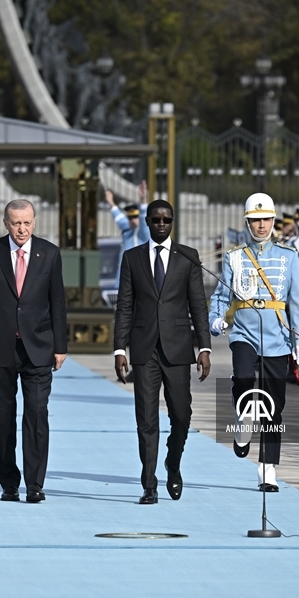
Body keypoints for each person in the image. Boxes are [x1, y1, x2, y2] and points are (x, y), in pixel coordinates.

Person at [0, 200, 68, 504]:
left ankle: (35, 484)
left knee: (36, 414)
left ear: (34, 222)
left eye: (26, 223)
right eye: (15, 223)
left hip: (38, 348)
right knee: (2, 416)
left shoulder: (49, 253)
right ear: (6, 223)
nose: (21, 229)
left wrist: (60, 346)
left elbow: (58, 303)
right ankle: (9, 482)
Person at [113, 199, 212, 504]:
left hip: (178, 349)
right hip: (144, 351)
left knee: (182, 415)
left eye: (166, 220)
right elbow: (124, 306)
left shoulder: (188, 257)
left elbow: (198, 305)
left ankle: (173, 462)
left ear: (172, 222)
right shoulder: (132, 259)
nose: (160, 224)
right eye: (155, 220)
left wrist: (204, 347)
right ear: (147, 222)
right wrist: (120, 349)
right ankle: (149, 484)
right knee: (146, 419)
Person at [209, 193, 299, 491]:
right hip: (244, 332)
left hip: (277, 337)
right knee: (242, 377)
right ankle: (243, 419)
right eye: (255, 220)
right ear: (247, 222)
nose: (261, 225)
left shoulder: (288, 256)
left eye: (265, 219)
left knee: (274, 407)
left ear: (273, 221)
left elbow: (297, 300)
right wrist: (215, 319)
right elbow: (221, 295)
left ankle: (267, 468)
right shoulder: (234, 256)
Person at [105, 180, 150, 288]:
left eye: (135, 217)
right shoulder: (128, 230)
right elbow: (119, 218)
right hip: (122, 283)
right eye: (130, 217)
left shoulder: (143, 233)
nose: (132, 220)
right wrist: (110, 202)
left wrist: (143, 199)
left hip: (136, 284)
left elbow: (144, 218)